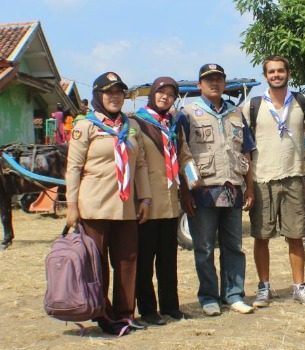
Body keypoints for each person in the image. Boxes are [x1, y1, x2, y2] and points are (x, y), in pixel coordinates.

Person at [65, 71, 151, 335]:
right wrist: (71, 206)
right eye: (109, 92)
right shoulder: (86, 126)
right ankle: (103, 314)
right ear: (98, 96)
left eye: (119, 92)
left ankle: (126, 314)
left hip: (126, 206)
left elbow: (141, 165)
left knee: (128, 260)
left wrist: (145, 197)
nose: (115, 97)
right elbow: (73, 168)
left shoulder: (131, 126)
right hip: (95, 206)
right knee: (97, 263)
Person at [242, 55, 305, 309]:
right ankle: (264, 287)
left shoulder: (303, 102)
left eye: (280, 71)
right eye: (271, 71)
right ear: (265, 76)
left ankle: (299, 286)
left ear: (288, 73)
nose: (276, 75)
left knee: (296, 235)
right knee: (261, 237)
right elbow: (240, 144)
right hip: (262, 178)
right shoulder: (251, 105)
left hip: (295, 177)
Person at [181, 63, 255, 316]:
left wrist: (250, 188)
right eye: (208, 79)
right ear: (199, 85)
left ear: (224, 83)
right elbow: (181, 154)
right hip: (203, 192)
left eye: (218, 79)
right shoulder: (188, 113)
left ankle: (233, 294)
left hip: (233, 188)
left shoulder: (236, 113)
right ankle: (209, 297)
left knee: (233, 245)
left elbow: (246, 152)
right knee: (203, 248)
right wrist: (184, 192)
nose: (214, 83)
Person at [130, 77, 194, 325]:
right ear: (152, 94)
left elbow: (184, 155)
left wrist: (193, 177)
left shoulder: (173, 125)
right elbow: (136, 161)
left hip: (169, 203)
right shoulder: (136, 122)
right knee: (145, 261)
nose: (165, 97)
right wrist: (141, 198)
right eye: (161, 92)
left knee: (168, 261)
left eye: (170, 94)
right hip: (147, 202)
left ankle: (171, 307)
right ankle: (147, 310)